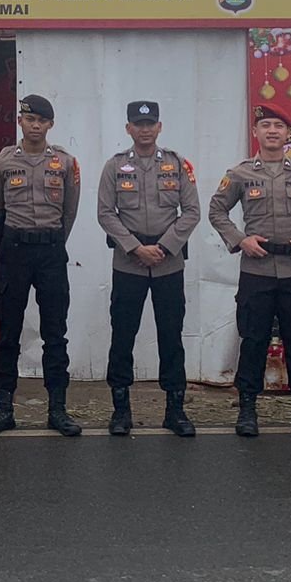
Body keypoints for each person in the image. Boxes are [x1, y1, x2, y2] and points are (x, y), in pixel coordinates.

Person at [209, 103, 291, 438]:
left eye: (279, 126)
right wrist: (240, 240)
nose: (272, 131)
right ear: (256, 132)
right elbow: (217, 210)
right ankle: (248, 408)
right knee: (253, 341)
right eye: (266, 126)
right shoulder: (240, 174)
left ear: (288, 133)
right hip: (257, 271)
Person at [0, 93, 82, 436]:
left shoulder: (65, 162)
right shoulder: (1, 163)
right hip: (14, 251)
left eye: (42, 120)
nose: (35, 126)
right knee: (8, 332)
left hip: (50, 251)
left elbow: (69, 211)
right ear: (20, 121)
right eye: (30, 119)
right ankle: (3, 409)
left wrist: (53, 240)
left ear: (51, 124)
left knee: (55, 333)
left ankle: (58, 410)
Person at [96, 100, 202, 436]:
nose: (145, 130)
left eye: (150, 124)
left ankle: (175, 410)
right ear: (128, 128)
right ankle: (120, 410)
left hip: (168, 263)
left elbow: (192, 211)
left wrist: (165, 246)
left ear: (159, 127)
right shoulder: (114, 166)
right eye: (138, 124)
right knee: (122, 335)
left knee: (171, 336)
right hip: (129, 263)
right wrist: (134, 247)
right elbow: (105, 213)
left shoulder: (177, 164)